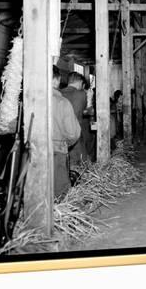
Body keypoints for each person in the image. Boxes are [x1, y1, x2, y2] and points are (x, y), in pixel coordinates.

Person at [52, 66, 81, 197]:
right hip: (56, 152)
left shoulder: (26, 102)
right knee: (59, 193)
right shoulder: (62, 102)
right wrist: (65, 144)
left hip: (30, 154)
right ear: (56, 80)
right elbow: (73, 134)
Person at [61, 72, 88, 166]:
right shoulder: (81, 94)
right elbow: (85, 109)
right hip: (76, 132)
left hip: (60, 133)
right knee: (80, 161)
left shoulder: (59, 93)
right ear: (80, 82)